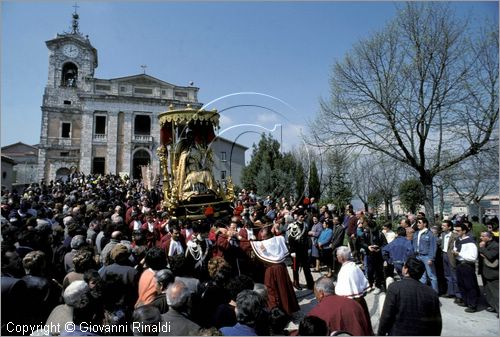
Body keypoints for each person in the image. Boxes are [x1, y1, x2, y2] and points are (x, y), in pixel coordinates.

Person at [377, 256, 442, 336]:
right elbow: (437, 324)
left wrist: (380, 334)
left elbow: (386, 317)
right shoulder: (432, 293)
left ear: (406, 269)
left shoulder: (394, 288)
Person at [307, 276, 372, 336]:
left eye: (315, 292)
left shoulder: (315, 314)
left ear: (321, 293)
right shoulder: (354, 303)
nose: (315, 296)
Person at [334, 246, 373, 335]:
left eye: (337, 255)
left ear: (341, 258)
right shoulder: (355, 266)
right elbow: (364, 287)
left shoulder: (344, 271)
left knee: (355, 328)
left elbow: (340, 294)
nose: (336, 257)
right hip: (361, 302)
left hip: (351, 305)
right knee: (365, 324)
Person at [453, 223, 480, 313]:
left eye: (458, 230)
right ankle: (466, 301)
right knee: (461, 284)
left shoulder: (470, 242)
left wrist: (459, 254)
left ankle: (473, 305)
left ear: (464, 231)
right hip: (459, 264)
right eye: (455, 230)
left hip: (467, 265)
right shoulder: (457, 240)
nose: (456, 232)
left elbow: (473, 257)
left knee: (470, 286)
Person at [412, 217, 438, 292]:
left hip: (426, 256)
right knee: (421, 276)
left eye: (419, 222)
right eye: (417, 222)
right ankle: (423, 294)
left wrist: (431, 258)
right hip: (418, 256)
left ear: (425, 224)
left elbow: (433, 247)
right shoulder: (416, 233)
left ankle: (435, 294)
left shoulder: (430, 234)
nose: (417, 224)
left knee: (431, 276)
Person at [478, 231, 499, 316]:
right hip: (485, 271)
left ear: (489, 237)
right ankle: (493, 306)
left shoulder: (495, 245)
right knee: (488, 292)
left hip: (493, 273)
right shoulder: (485, 244)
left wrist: (483, 249)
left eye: (483, 236)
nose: (481, 237)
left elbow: (490, 256)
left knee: (496, 293)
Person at [440, 220, 461, 299]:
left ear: (449, 227)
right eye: (442, 225)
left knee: (454, 275)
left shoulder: (454, 236)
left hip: (451, 256)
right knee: (447, 275)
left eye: (444, 226)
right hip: (444, 255)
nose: (442, 227)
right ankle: (450, 292)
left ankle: (458, 294)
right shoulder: (443, 234)